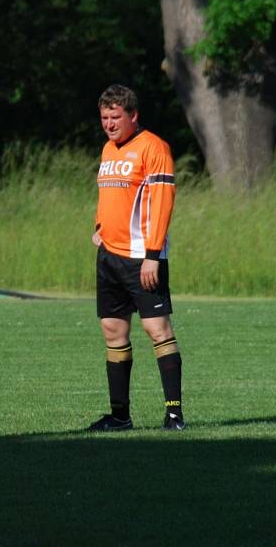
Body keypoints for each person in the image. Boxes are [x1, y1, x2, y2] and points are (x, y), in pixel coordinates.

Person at [87, 84, 184, 432]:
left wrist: (153, 256)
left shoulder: (154, 148)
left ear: (133, 116)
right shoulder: (108, 150)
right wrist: (99, 227)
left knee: (157, 329)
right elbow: (110, 198)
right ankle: (119, 416)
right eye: (104, 118)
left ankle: (174, 414)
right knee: (113, 330)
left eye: (115, 117)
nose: (109, 124)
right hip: (109, 257)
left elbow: (161, 204)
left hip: (143, 257)